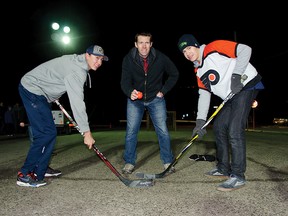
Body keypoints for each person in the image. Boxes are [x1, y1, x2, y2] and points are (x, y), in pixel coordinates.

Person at [178, 34, 264, 192]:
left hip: (246, 85)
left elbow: (246, 50)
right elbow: (204, 95)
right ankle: (223, 168)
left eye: (189, 48)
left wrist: (236, 76)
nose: (187, 53)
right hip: (231, 96)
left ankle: (238, 175)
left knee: (234, 129)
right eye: (184, 51)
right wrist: (200, 122)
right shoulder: (198, 71)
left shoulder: (214, 47)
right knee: (218, 127)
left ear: (196, 45)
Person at [17, 44, 109, 187]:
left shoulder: (76, 61)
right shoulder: (77, 71)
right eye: (96, 58)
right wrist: (86, 132)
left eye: (102, 59)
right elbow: (77, 102)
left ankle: (41, 167)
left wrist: (53, 93)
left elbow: (56, 75)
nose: (99, 62)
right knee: (46, 133)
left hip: (42, 93)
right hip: (32, 89)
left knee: (48, 133)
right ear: (87, 55)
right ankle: (25, 173)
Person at [120, 32, 179, 174]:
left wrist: (163, 90)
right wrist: (130, 92)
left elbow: (174, 74)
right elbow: (124, 81)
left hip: (155, 99)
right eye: (141, 42)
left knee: (163, 131)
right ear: (136, 44)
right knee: (131, 132)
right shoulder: (128, 59)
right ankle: (129, 162)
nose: (144, 46)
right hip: (136, 101)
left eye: (147, 42)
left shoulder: (161, 58)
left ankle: (167, 161)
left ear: (151, 44)